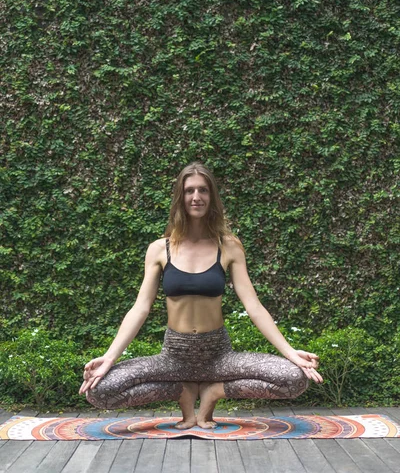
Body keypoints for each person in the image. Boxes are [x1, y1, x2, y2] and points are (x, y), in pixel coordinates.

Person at [79, 162, 323, 429]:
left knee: (293, 378)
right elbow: (140, 308)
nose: (196, 197)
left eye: (203, 190)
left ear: (212, 196)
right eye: (189, 191)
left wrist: (290, 353)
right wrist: (110, 357)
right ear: (180, 198)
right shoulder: (159, 249)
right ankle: (181, 391)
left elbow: (253, 306)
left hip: (219, 356)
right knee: (99, 390)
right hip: (174, 356)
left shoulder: (228, 246)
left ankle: (214, 391)